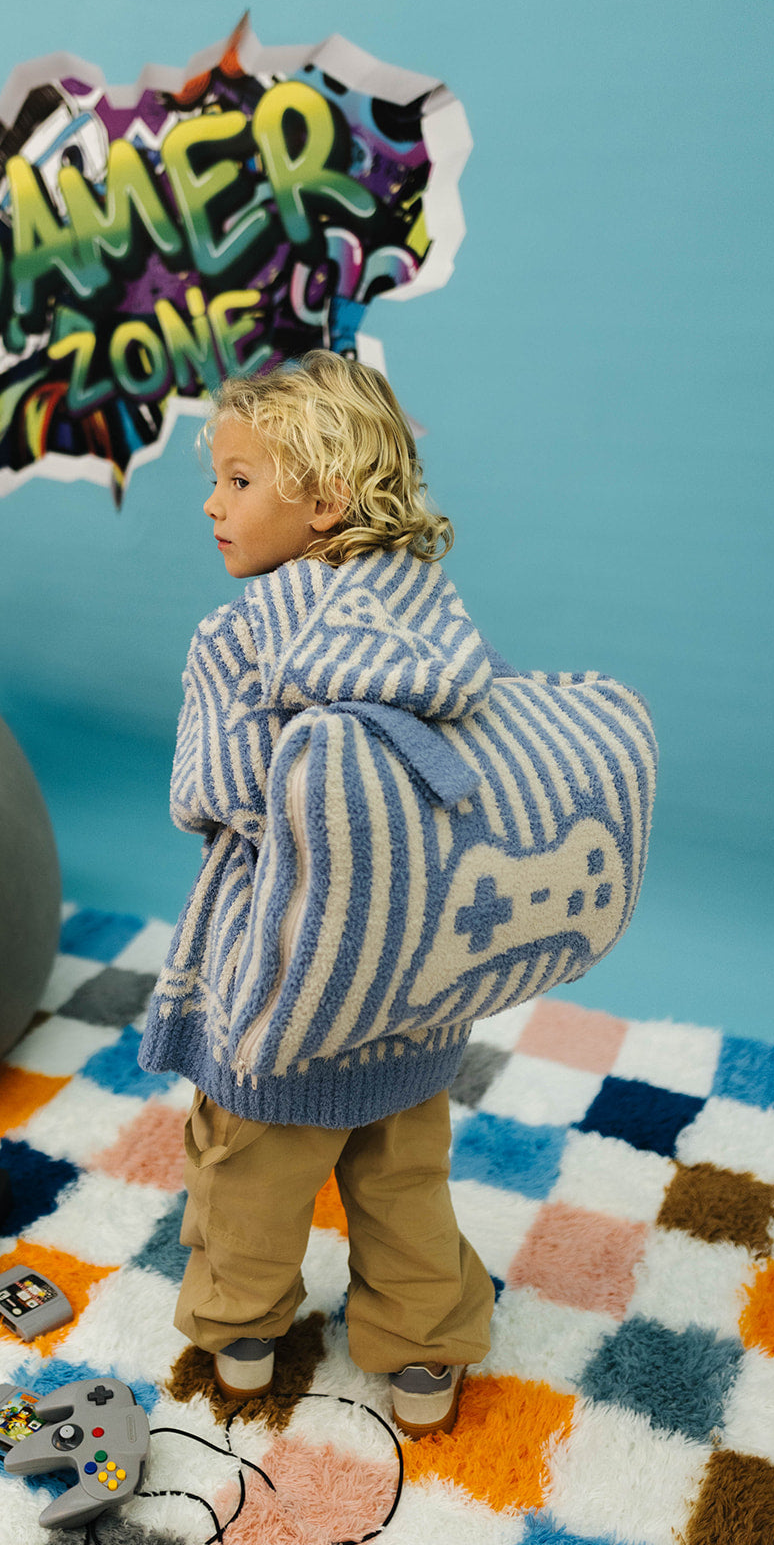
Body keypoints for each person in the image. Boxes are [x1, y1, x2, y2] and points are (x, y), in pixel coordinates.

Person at [138, 350, 496, 1438]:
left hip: (281, 977)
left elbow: (214, 796)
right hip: (410, 981)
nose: (213, 502)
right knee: (403, 1180)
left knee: (247, 1172)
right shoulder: (435, 622)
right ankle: (425, 1349)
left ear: (325, 500)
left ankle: (241, 1335)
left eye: (239, 479)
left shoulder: (238, 634)